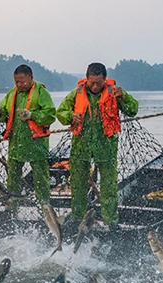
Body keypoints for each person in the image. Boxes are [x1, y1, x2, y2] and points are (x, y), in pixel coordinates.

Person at [56, 63, 138, 229]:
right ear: (87, 79)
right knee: (78, 186)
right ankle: (78, 219)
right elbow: (60, 112)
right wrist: (70, 116)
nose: (94, 86)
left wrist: (124, 98)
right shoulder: (76, 93)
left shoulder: (114, 92)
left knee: (109, 187)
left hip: (106, 147)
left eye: (98, 83)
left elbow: (133, 109)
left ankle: (111, 222)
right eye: (91, 82)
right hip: (81, 147)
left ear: (105, 80)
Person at [0, 64, 56, 209]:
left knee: (41, 180)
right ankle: (11, 210)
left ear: (31, 78)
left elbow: (51, 115)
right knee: (12, 180)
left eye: (23, 81)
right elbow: (4, 114)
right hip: (16, 145)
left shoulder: (41, 92)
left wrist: (32, 115)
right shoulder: (11, 94)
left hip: (36, 145)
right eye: (17, 82)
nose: (20, 85)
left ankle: (45, 212)